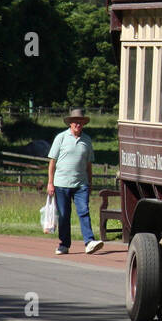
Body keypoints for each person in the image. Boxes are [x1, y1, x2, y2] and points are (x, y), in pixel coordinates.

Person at [47, 109, 103, 255]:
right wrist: (50, 183)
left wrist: (90, 183)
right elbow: (52, 162)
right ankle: (64, 244)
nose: (78, 124)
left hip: (81, 184)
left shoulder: (87, 140)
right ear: (70, 123)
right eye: (75, 122)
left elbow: (89, 164)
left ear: (83, 124)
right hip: (61, 184)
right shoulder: (61, 138)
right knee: (64, 215)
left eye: (81, 122)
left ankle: (89, 242)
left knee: (84, 211)